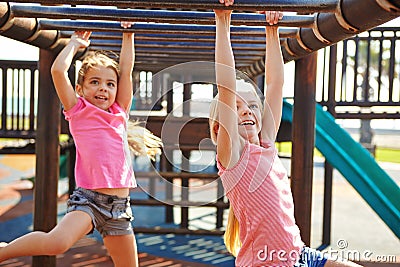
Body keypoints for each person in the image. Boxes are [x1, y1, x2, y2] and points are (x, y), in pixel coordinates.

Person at [210, 1, 362, 266]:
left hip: (299, 253)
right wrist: (223, 23)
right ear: (219, 126)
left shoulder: (266, 142)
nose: (246, 111)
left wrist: (273, 31)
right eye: (236, 107)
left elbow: (275, 84)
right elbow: (225, 86)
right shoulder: (234, 158)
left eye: (252, 106)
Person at [0, 22, 161, 266]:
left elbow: (126, 70)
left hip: (119, 208)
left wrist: (128, 34)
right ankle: (4, 251)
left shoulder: (120, 112)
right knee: (57, 243)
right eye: (94, 82)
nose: (103, 88)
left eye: (109, 84)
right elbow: (57, 71)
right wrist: (74, 44)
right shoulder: (78, 110)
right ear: (80, 88)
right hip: (90, 201)